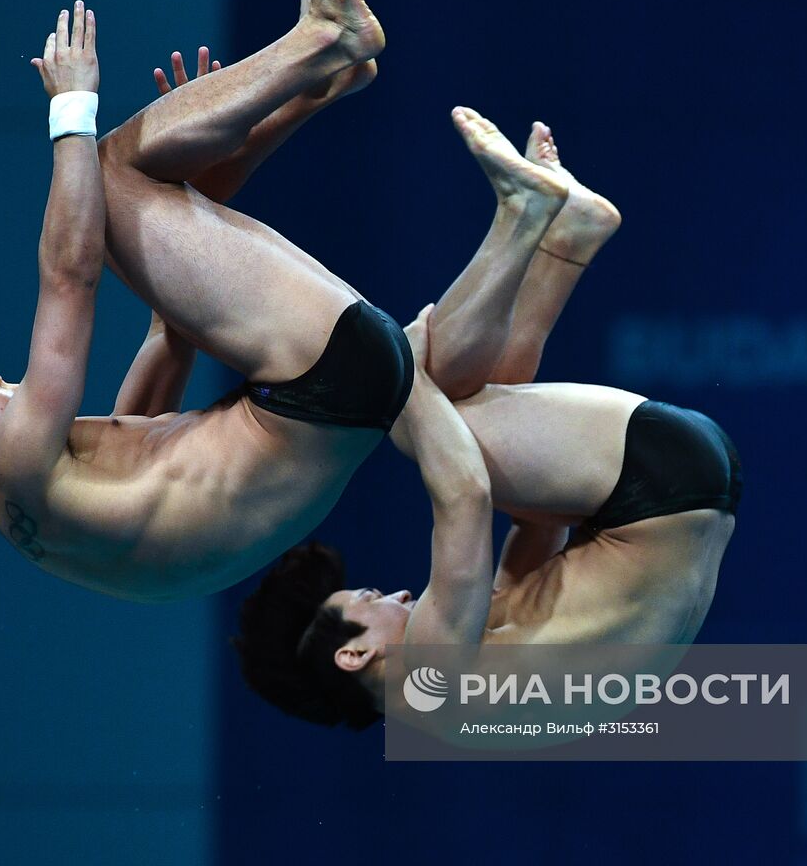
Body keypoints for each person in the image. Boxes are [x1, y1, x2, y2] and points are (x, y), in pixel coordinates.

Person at [0, 0, 569, 603]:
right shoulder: (23, 467)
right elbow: (70, 274)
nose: (14, 382)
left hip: (360, 392)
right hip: (318, 381)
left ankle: (329, 85)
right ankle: (323, 39)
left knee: (149, 191)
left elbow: (175, 330)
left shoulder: (62, 520)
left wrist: (249, 122)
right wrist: (72, 109)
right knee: (105, 173)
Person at [233, 122, 743, 729]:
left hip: (692, 481)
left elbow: (536, 516)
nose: (398, 594)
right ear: (355, 653)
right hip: (649, 487)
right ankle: (526, 217)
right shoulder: (429, 677)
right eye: (372, 602)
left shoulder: (466, 701)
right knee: (397, 413)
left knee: (455, 411)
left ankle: (567, 235)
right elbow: (468, 493)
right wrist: (404, 375)